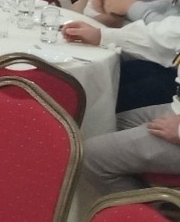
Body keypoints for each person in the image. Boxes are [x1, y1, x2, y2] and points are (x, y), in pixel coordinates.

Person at [63, 12, 180, 201]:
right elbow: (165, 36)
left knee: (88, 156)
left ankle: (141, 213)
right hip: (175, 109)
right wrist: (102, 35)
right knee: (99, 123)